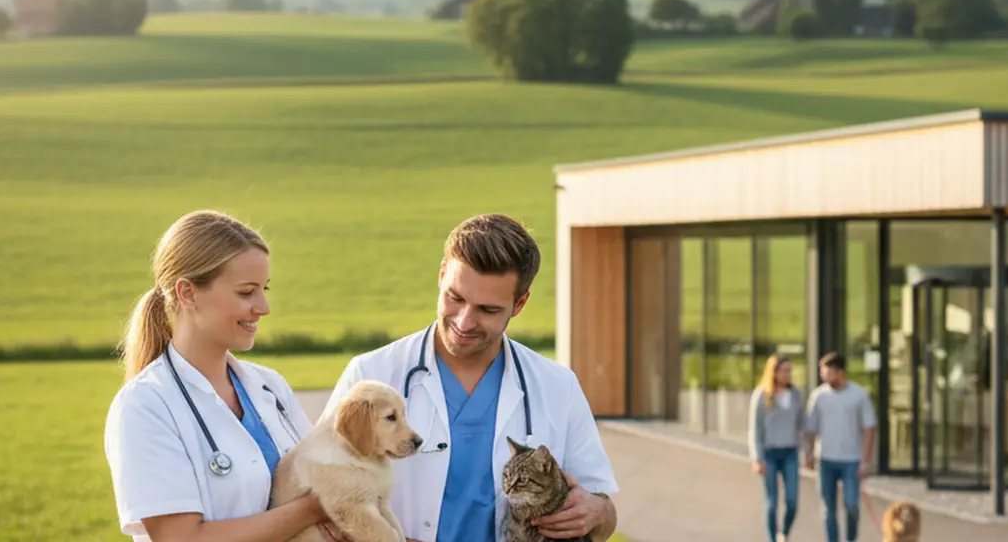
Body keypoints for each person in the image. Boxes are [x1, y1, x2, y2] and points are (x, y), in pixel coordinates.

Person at [323, 213, 620, 542]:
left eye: (487, 310)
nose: (464, 322)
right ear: (441, 275)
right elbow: (318, 494)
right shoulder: (371, 375)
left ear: (519, 304)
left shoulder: (557, 386)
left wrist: (595, 511)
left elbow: (603, 512)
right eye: (456, 297)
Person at [103, 210, 346, 542]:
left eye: (264, 289)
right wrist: (311, 510)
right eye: (246, 292)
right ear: (188, 293)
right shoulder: (145, 406)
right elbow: (182, 538)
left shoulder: (269, 387)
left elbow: (321, 478)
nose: (263, 307)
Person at [803, 352, 877, 542]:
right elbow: (810, 428)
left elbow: (870, 428)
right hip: (825, 460)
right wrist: (808, 453)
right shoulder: (818, 396)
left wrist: (866, 461)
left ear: (840, 372)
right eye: (822, 373)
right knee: (828, 509)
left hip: (851, 461)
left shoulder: (858, 395)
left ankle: (851, 539)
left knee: (852, 505)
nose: (823, 376)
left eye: (827, 372)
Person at [748, 355, 805, 542]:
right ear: (773, 372)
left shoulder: (795, 395)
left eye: (789, 370)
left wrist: (807, 451)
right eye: (783, 370)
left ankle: (785, 533)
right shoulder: (762, 395)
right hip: (769, 454)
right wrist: (757, 458)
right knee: (771, 503)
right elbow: (755, 429)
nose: (786, 374)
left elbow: (801, 425)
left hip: (790, 453)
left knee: (792, 501)